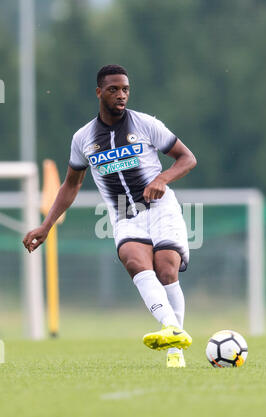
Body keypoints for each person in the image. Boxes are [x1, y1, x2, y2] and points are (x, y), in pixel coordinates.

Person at [23, 64, 197, 368]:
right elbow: (71, 185)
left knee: (166, 268)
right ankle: (172, 329)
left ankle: (175, 348)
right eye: (114, 89)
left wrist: (161, 180)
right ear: (99, 92)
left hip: (161, 209)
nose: (121, 95)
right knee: (134, 260)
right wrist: (46, 225)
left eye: (126, 89)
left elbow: (187, 158)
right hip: (123, 215)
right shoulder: (83, 138)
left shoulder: (146, 125)